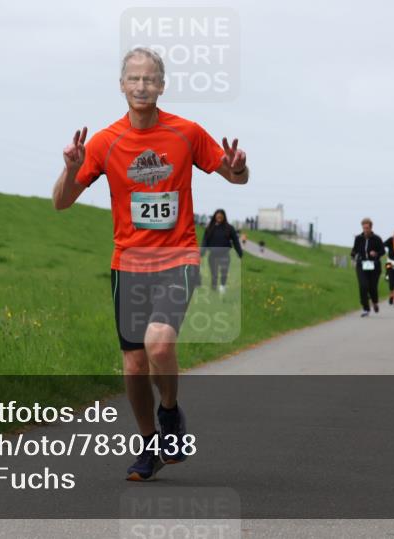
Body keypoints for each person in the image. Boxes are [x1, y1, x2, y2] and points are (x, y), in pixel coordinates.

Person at [52, 47, 249, 481]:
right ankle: (148, 444)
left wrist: (239, 168)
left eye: (150, 79)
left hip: (177, 256)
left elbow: (234, 176)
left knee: (159, 344)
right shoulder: (104, 142)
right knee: (134, 365)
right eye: (133, 79)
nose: (142, 86)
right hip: (129, 263)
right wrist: (71, 168)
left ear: (162, 86)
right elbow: (61, 202)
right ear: (122, 85)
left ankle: (171, 414)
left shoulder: (186, 133)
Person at [201, 209, 243, 294]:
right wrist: (202, 252)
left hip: (225, 255)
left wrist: (239, 252)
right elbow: (205, 240)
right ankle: (213, 288)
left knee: (224, 271)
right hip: (213, 255)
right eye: (218, 216)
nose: (219, 217)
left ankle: (222, 287)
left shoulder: (229, 228)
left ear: (224, 217)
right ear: (215, 217)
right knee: (214, 273)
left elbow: (235, 240)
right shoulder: (210, 228)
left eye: (221, 216)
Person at [350, 217, 385, 317]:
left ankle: (375, 302)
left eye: (367, 228)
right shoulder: (358, 238)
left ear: (371, 228)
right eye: (364, 228)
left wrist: (376, 253)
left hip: (374, 265)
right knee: (363, 286)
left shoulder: (377, 239)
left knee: (372, 287)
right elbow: (355, 249)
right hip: (362, 264)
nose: (365, 230)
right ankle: (366, 308)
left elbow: (383, 251)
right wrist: (352, 255)